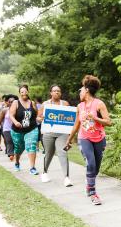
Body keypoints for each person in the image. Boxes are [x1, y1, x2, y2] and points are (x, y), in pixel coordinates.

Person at [66, 75, 112, 205]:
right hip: (84, 138)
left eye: (80, 90)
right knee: (91, 164)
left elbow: (108, 122)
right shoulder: (79, 106)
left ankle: (89, 185)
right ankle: (93, 193)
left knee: (95, 169)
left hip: (99, 139)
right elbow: (76, 125)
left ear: (86, 90)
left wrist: (95, 118)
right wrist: (69, 139)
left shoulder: (99, 104)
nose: (79, 93)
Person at [37, 85, 73, 187]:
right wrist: (41, 119)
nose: (56, 92)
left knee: (62, 152)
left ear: (60, 93)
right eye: (54, 91)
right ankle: (44, 172)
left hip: (62, 134)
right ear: (51, 93)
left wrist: (70, 137)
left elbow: (70, 119)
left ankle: (66, 178)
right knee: (49, 153)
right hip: (48, 133)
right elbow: (38, 118)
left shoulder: (65, 104)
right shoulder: (45, 104)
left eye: (58, 91)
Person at [9, 85, 39, 174]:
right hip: (18, 130)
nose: (24, 93)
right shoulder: (16, 102)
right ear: (19, 93)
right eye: (22, 92)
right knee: (18, 148)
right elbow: (11, 115)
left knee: (31, 146)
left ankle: (32, 168)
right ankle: (17, 162)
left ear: (28, 92)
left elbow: (36, 115)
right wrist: (15, 122)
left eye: (25, 91)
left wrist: (39, 119)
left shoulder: (32, 103)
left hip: (31, 129)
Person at [0, 95, 16, 161]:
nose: (11, 103)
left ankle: (14, 152)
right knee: (9, 140)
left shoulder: (18, 110)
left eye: (13, 102)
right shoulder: (5, 110)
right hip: (6, 129)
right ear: (7, 102)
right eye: (10, 102)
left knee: (15, 141)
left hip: (16, 129)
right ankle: (11, 154)